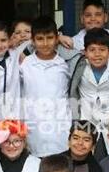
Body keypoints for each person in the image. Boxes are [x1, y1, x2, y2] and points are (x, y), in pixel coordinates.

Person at [69, 28, 109, 155]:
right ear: (85, 52)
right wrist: (60, 37)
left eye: (102, 50)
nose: (97, 54)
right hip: (86, 122)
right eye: (92, 50)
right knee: (87, 161)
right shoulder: (78, 65)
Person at [20, 15, 74, 157]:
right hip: (34, 129)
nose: (45, 43)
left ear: (57, 39)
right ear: (32, 41)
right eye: (40, 39)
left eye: (50, 38)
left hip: (60, 130)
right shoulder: (25, 64)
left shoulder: (64, 63)